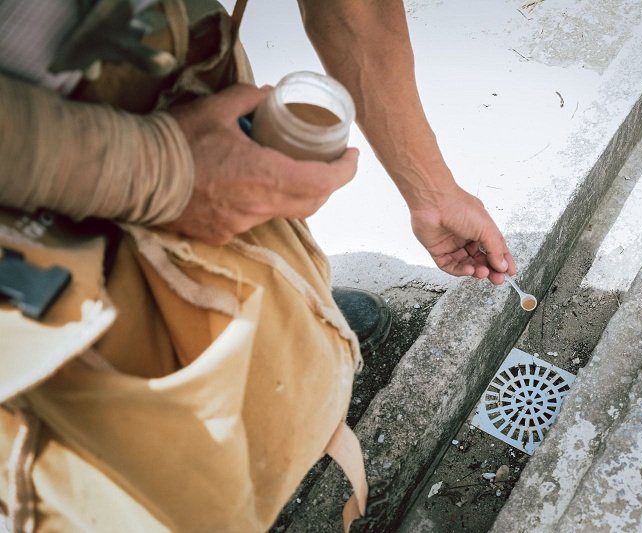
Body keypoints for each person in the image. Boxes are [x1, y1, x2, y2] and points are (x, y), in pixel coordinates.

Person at [0, 0, 516, 530]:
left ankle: (272, 337)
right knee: (140, 475)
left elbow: (354, 7)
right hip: (30, 227)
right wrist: (159, 170)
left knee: (276, 312)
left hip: (185, 85)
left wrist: (430, 191)